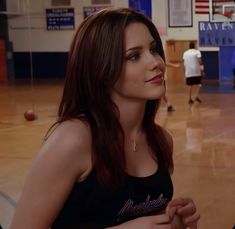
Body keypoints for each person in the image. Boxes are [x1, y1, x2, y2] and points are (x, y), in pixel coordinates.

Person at [10, 8, 200, 228]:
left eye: (153, 49)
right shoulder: (73, 139)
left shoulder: (161, 141)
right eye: (134, 56)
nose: (156, 62)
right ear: (100, 68)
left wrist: (172, 221)